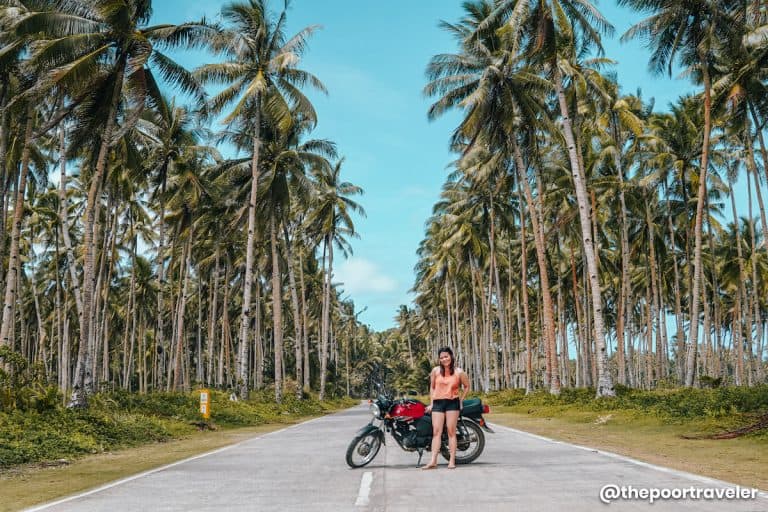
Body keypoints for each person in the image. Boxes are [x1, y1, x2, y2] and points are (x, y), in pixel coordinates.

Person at [421, 346, 470, 469]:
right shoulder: (435, 371)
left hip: (452, 403)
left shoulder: (459, 372)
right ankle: (433, 461)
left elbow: (467, 386)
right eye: (441, 357)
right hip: (438, 403)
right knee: (436, 432)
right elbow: (432, 387)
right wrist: (432, 403)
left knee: (451, 431)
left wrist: (461, 400)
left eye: (446, 356)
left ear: (451, 356)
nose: (444, 359)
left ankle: (452, 461)